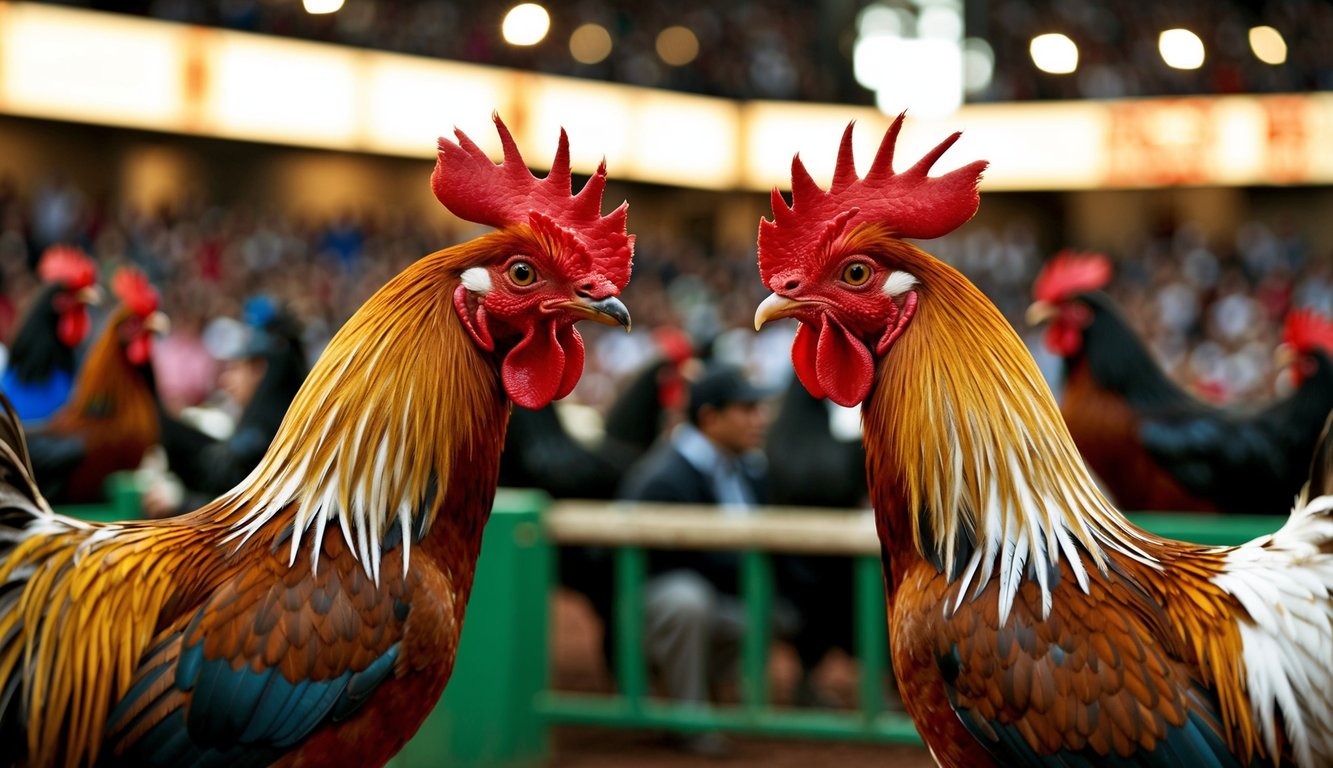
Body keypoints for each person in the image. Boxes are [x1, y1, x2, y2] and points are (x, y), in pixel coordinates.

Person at [617, 363, 804, 756]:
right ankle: (688, 717)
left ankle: (709, 691)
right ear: (710, 418)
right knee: (686, 600)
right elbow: (648, 571)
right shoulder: (662, 477)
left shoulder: (749, 469)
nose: (760, 419)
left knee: (771, 612)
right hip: (651, 621)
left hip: (719, 605)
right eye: (746, 410)